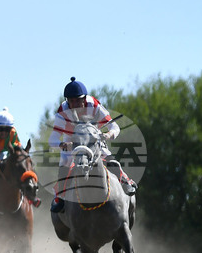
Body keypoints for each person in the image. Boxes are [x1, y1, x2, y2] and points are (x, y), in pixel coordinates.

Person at [48, 77, 137, 213]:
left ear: (84, 99)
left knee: (110, 160)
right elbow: (52, 139)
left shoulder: (94, 106)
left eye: (78, 100)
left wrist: (108, 135)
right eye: (71, 101)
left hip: (92, 138)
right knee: (64, 164)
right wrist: (63, 144)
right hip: (72, 141)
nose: (74, 105)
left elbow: (115, 127)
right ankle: (60, 197)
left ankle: (126, 181)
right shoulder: (62, 111)